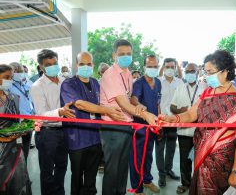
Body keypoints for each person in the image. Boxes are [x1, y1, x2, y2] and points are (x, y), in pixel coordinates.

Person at [160, 50, 236, 195]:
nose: (206, 77)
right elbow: (192, 114)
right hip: (202, 154)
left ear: (225, 71)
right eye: (205, 72)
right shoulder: (208, 92)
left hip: (222, 162)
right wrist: (174, 118)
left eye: (210, 72)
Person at [60, 52, 125, 195]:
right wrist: (106, 109)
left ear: (93, 65)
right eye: (82, 64)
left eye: (89, 64)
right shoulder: (68, 84)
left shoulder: (96, 83)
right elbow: (81, 105)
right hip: (77, 139)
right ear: (76, 65)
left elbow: (105, 102)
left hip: (95, 137)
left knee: (91, 175)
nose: (86, 67)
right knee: (77, 176)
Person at [100, 39, 157, 195]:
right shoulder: (111, 74)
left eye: (129, 54)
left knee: (123, 167)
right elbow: (123, 103)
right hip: (113, 128)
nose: (126, 57)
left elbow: (130, 98)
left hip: (126, 125)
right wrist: (145, 115)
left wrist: (139, 106)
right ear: (114, 56)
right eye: (122, 54)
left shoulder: (127, 73)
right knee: (112, 171)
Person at [30, 49, 75, 195]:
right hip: (47, 133)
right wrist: (60, 112)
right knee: (47, 170)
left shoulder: (64, 81)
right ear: (41, 67)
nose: (53, 66)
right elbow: (41, 114)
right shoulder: (37, 86)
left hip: (64, 131)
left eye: (55, 63)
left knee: (62, 166)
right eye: (48, 64)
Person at [170, 63, 206, 194]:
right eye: (188, 71)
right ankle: (185, 183)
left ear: (197, 73)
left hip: (200, 131)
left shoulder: (205, 88)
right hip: (184, 130)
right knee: (184, 159)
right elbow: (172, 107)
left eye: (193, 71)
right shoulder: (180, 87)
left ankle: (197, 184)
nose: (190, 73)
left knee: (199, 159)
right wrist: (180, 110)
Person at [129, 55, 161, 195]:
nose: (152, 69)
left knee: (148, 155)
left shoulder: (158, 82)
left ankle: (147, 180)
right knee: (137, 157)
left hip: (153, 127)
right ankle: (137, 188)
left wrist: (159, 124)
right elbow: (133, 99)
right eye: (150, 66)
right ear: (144, 67)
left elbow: (157, 103)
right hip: (140, 128)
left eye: (155, 66)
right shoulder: (139, 83)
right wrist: (141, 106)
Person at [0, 64, 32, 195]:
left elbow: (16, 121)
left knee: (19, 184)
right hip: (1, 152)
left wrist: (25, 126)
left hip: (15, 148)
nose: (10, 80)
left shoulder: (13, 97)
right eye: (6, 77)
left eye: (11, 77)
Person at [156, 58, 184, 187]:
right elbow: (156, 101)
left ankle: (168, 170)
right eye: (167, 67)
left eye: (172, 67)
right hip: (160, 121)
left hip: (174, 120)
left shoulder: (179, 82)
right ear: (163, 67)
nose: (170, 69)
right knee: (160, 149)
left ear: (175, 68)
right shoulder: (158, 82)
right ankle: (161, 175)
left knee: (171, 148)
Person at [9, 62, 35, 162]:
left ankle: (24, 175)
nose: (19, 73)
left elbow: (30, 100)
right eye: (16, 71)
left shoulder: (25, 84)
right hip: (15, 122)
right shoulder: (8, 87)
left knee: (26, 148)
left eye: (20, 71)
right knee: (15, 151)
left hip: (28, 120)